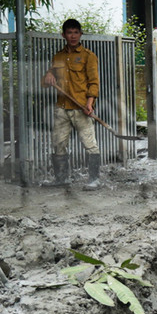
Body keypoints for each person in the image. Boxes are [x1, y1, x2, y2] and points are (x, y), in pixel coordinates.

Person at [41, 18, 102, 188]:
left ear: (80, 34)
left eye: (76, 32)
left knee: (89, 144)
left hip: (81, 108)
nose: (73, 36)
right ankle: (61, 179)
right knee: (58, 144)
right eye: (69, 32)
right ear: (63, 35)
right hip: (62, 108)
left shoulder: (89, 56)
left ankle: (94, 179)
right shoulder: (58, 57)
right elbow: (46, 83)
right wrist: (48, 76)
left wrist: (90, 103)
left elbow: (94, 83)